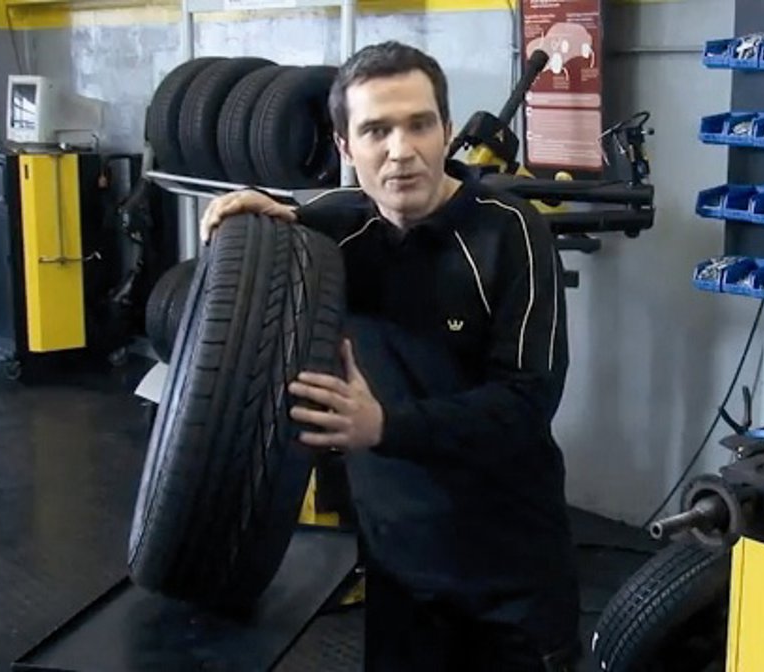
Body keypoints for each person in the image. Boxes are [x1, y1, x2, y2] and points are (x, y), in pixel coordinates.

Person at [200, 41, 581, 671]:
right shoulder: (328, 231)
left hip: (509, 572)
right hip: (397, 568)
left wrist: (384, 427)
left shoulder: (511, 232)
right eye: (376, 130)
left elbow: (528, 401)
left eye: (419, 125)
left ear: (447, 131)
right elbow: (262, 263)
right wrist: (252, 217)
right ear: (345, 146)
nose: (401, 150)